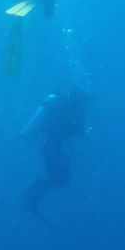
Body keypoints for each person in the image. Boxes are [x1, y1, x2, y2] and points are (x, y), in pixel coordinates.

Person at [18, 89, 89, 218]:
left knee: (59, 178)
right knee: (59, 178)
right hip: (53, 149)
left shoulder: (66, 108)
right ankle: (30, 202)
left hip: (51, 148)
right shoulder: (70, 109)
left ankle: (31, 201)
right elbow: (77, 131)